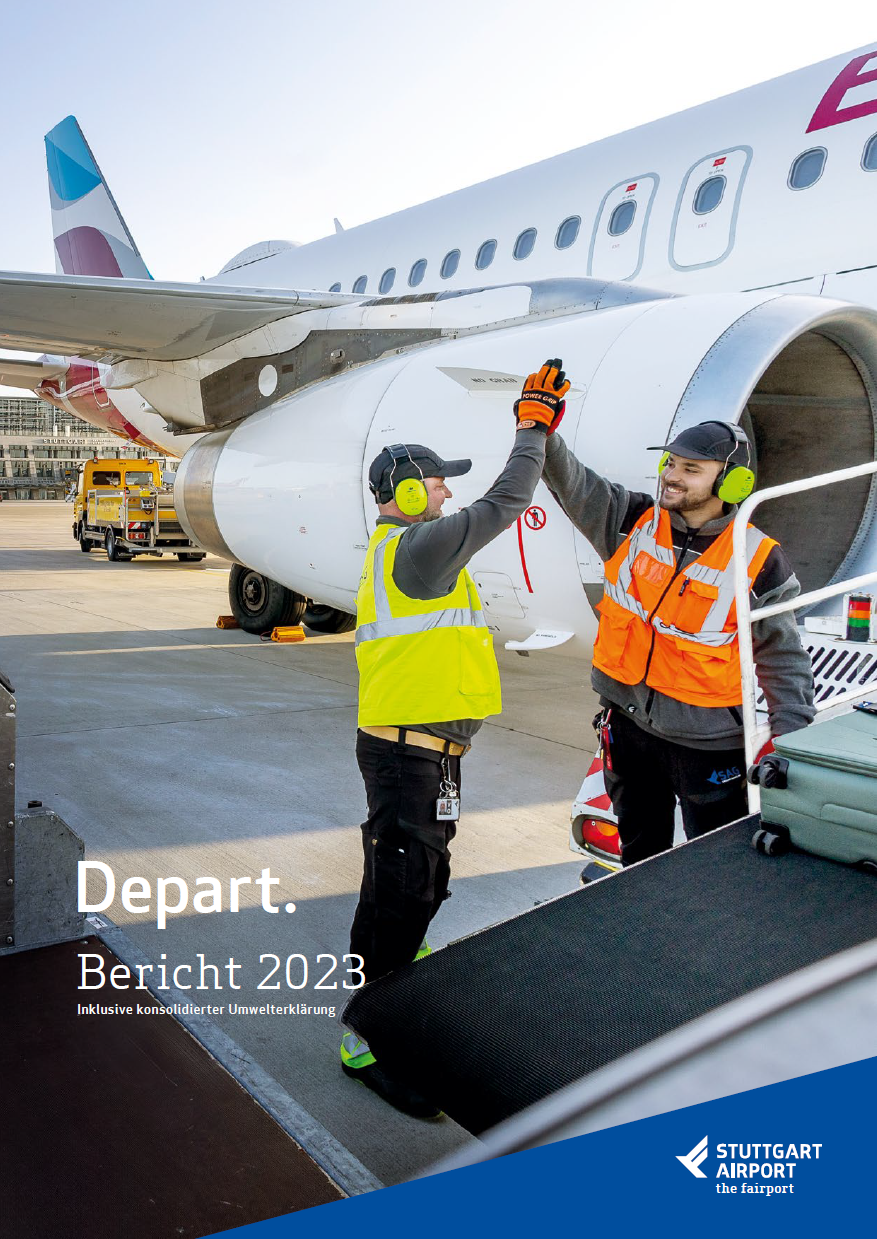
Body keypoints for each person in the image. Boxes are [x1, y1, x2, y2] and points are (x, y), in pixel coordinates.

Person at [340, 359, 570, 1117]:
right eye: (438, 482)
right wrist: (532, 425)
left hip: (430, 755)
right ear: (407, 491)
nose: (447, 493)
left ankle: (399, 974)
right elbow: (508, 499)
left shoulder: (412, 554)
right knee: (399, 889)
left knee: (420, 883)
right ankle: (365, 1035)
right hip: (408, 754)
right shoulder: (418, 548)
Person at [542, 417, 815, 867]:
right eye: (671, 463)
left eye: (691, 469)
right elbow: (574, 485)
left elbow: (782, 656)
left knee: (715, 866)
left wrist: (792, 738)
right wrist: (543, 432)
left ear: (730, 482)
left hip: (707, 745)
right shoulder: (632, 523)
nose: (671, 475)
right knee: (638, 855)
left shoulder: (758, 559)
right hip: (629, 726)